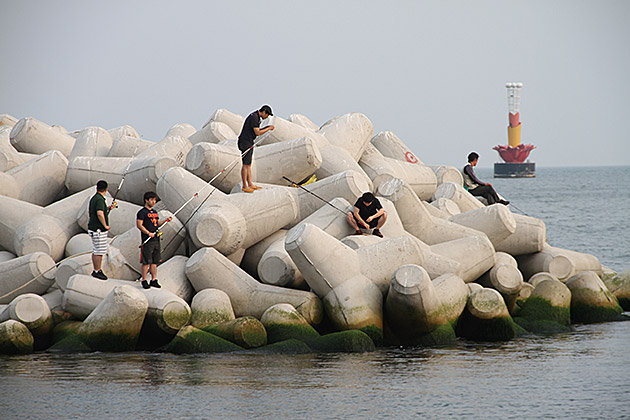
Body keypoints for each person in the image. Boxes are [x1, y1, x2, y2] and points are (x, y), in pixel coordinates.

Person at [136, 191, 172, 289]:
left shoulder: (155, 212)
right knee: (146, 261)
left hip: (156, 239)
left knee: (155, 261)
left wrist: (165, 221)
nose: (153, 202)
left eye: (154, 200)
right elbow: (139, 225)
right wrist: (148, 233)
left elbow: (157, 223)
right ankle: (144, 280)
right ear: (146, 200)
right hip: (147, 240)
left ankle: (153, 279)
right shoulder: (142, 212)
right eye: (151, 200)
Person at [238, 105, 275, 193]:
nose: (267, 117)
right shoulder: (254, 117)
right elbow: (257, 132)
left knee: (248, 164)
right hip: (245, 142)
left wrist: (267, 128)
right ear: (264, 112)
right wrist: (268, 128)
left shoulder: (256, 116)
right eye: (267, 115)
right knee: (245, 164)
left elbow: (256, 130)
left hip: (249, 141)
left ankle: (250, 183)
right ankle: (244, 185)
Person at [87, 180, 116, 280]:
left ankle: (97, 269)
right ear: (106, 189)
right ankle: (97, 270)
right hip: (98, 229)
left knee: (97, 249)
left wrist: (107, 208)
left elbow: (99, 211)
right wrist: (105, 225)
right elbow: (99, 213)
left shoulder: (95, 198)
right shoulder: (100, 199)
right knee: (99, 250)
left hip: (94, 228)